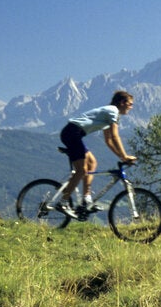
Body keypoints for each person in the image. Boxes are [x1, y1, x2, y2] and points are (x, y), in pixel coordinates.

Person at [58, 90, 137, 218]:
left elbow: (108, 140)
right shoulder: (113, 111)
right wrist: (125, 156)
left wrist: (121, 157)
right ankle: (63, 202)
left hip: (73, 133)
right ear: (122, 102)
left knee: (92, 163)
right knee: (81, 170)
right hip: (72, 133)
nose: (131, 107)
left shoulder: (110, 113)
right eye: (130, 104)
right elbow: (115, 136)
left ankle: (86, 199)